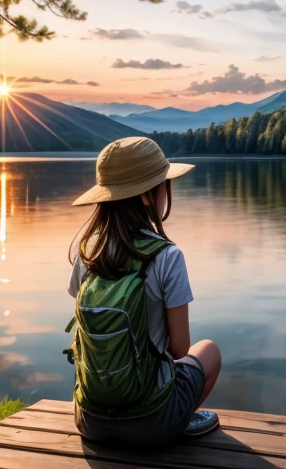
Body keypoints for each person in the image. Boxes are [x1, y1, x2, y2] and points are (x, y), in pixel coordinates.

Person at [65, 136, 221, 446]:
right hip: (151, 424)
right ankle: (182, 420)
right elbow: (179, 349)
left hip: (89, 420)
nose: (166, 190)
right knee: (209, 351)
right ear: (149, 195)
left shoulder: (89, 253)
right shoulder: (167, 256)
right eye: (163, 183)